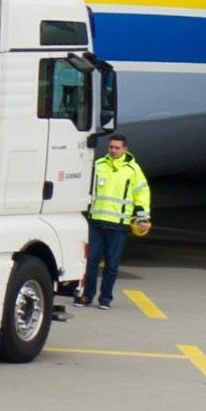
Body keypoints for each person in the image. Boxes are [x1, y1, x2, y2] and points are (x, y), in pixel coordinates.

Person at [82, 132, 151, 308]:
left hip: (119, 226)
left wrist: (142, 218)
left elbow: (142, 194)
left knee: (112, 264)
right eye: (111, 147)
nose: (113, 150)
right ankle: (87, 296)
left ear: (125, 149)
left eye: (117, 148)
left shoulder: (133, 170)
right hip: (96, 222)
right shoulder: (98, 165)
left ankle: (105, 299)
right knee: (91, 262)